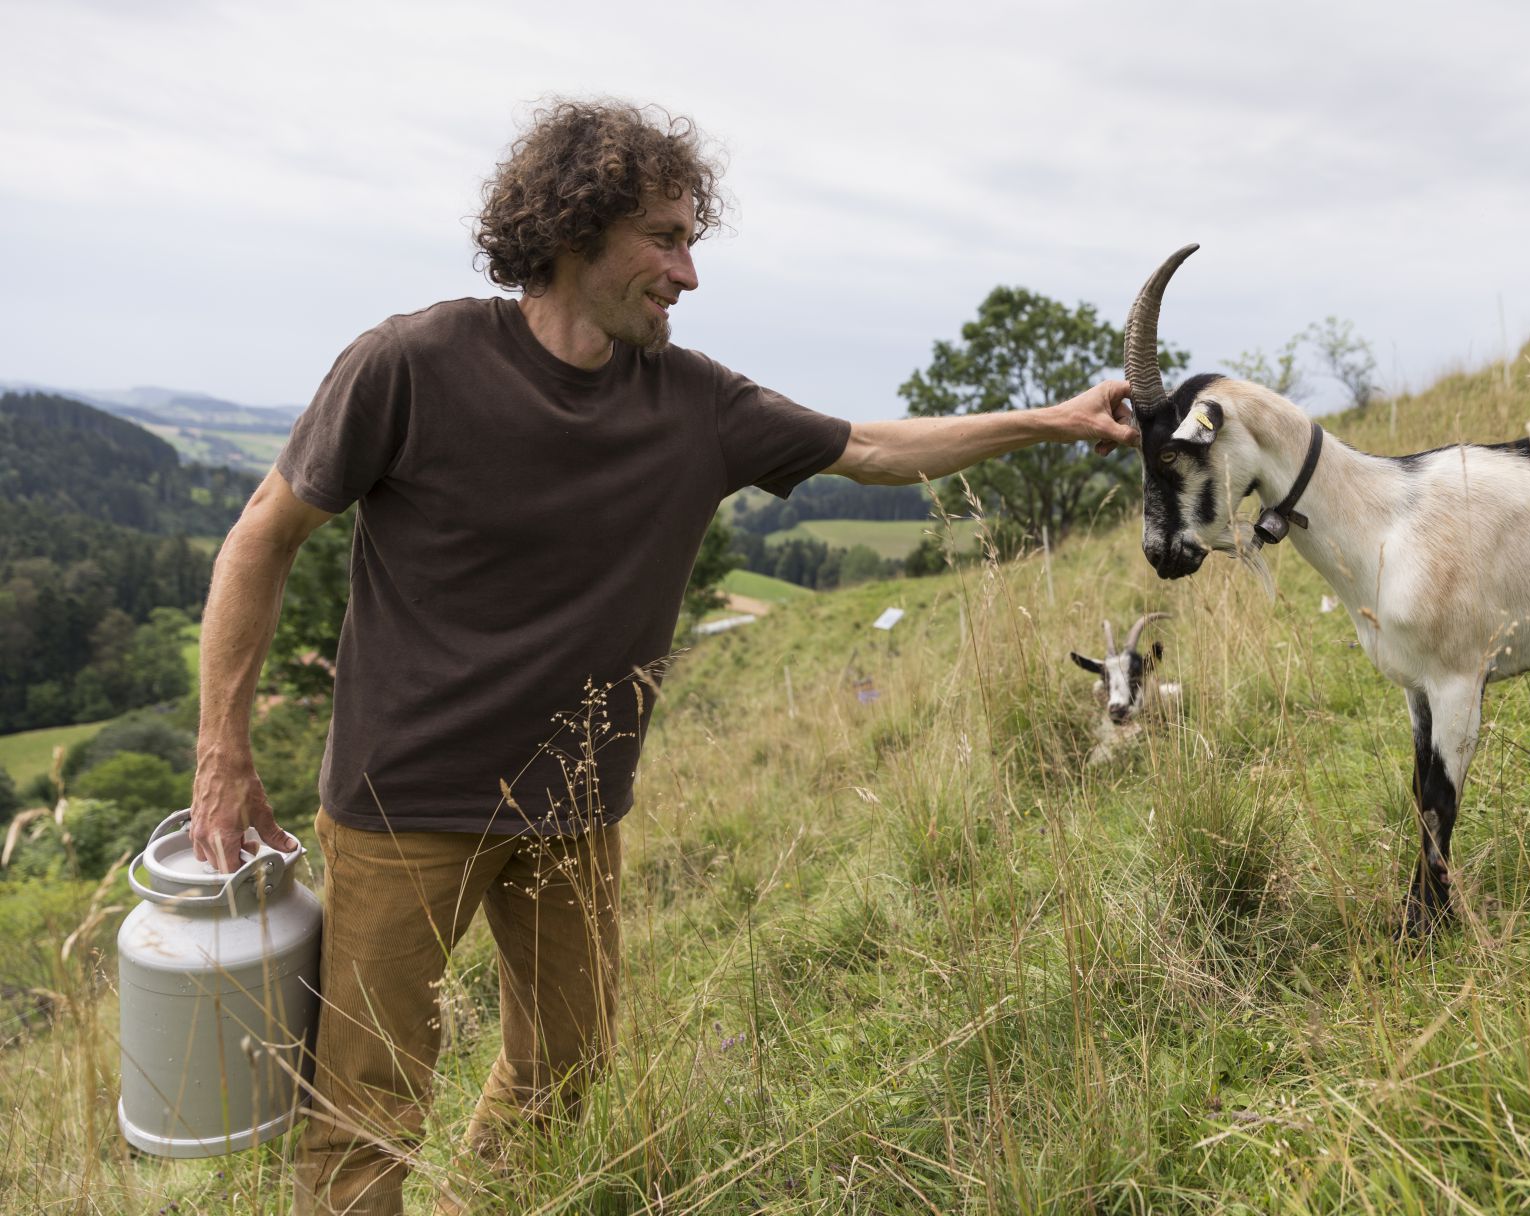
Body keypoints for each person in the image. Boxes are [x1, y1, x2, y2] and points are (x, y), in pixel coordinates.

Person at [189, 99, 1138, 1215]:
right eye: (666, 238)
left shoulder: (699, 404)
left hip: (577, 804)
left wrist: (1057, 420)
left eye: (694, 240)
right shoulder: (412, 362)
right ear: (572, 230)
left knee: (567, 1067)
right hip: (405, 806)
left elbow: (874, 447)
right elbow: (263, 531)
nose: (689, 273)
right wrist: (222, 749)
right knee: (367, 1102)